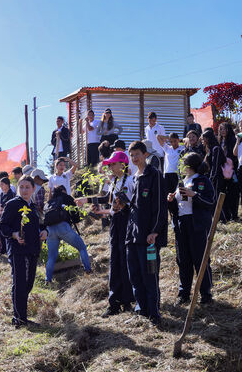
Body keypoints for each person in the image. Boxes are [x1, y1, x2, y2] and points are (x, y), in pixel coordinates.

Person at [76, 151, 135, 317]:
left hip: (127, 223)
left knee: (125, 260)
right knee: (115, 260)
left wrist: (123, 206)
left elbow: (133, 205)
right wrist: (87, 201)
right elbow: (108, 201)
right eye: (108, 164)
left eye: (112, 164)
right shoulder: (114, 181)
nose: (110, 167)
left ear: (123, 164)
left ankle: (128, 300)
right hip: (115, 224)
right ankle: (114, 302)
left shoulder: (131, 181)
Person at [125, 140, 168, 326]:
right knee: (135, 275)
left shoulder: (154, 175)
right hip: (133, 236)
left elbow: (160, 205)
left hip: (149, 237)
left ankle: (154, 313)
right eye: (131, 155)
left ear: (145, 155)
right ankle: (141, 310)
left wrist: (155, 231)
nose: (134, 158)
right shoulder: (134, 177)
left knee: (150, 275)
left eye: (137, 154)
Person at [0, 176, 48, 328]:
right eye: (22, 187)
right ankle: (19, 318)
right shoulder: (13, 204)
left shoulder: (32, 207)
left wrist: (44, 231)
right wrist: (14, 234)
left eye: (28, 187)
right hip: (18, 250)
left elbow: (41, 225)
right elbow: (2, 226)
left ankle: (21, 315)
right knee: (20, 283)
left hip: (32, 249)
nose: (25, 190)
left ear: (34, 189)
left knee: (28, 283)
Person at [168, 153, 215, 305]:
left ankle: (205, 294)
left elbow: (210, 202)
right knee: (183, 259)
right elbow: (176, 206)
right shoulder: (182, 181)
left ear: (191, 165)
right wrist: (170, 200)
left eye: (184, 163)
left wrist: (194, 195)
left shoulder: (203, 180)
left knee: (200, 259)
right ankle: (184, 294)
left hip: (197, 224)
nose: (182, 166)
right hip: (181, 223)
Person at [43, 186, 92, 283]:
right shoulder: (67, 198)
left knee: (52, 256)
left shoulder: (49, 203)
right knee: (82, 247)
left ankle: (47, 279)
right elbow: (76, 216)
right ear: (63, 191)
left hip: (50, 230)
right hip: (63, 227)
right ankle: (88, 270)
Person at [158, 133, 185, 217]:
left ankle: (179, 211)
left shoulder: (182, 148)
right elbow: (158, 137)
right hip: (167, 174)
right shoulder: (167, 148)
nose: (173, 143)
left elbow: (187, 140)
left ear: (178, 140)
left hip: (176, 174)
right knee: (167, 193)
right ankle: (171, 212)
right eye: (171, 141)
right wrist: (169, 138)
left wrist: (180, 140)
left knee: (176, 192)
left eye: (175, 141)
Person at [201, 130, 226, 219]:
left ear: (208, 139)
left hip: (217, 177)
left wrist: (212, 177)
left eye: (203, 139)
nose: (202, 141)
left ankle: (222, 218)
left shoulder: (216, 149)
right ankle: (216, 217)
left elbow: (216, 165)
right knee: (213, 197)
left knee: (216, 197)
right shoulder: (210, 149)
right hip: (211, 177)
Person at [218, 122, 239, 221]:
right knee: (224, 194)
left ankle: (234, 215)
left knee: (233, 194)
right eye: (221, 129)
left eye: (224, 129)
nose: (222, 131)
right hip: (222, 171)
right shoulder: (220, 141)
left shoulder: (233, 140)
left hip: (232, 171)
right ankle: (226, 215)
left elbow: (235, 156)